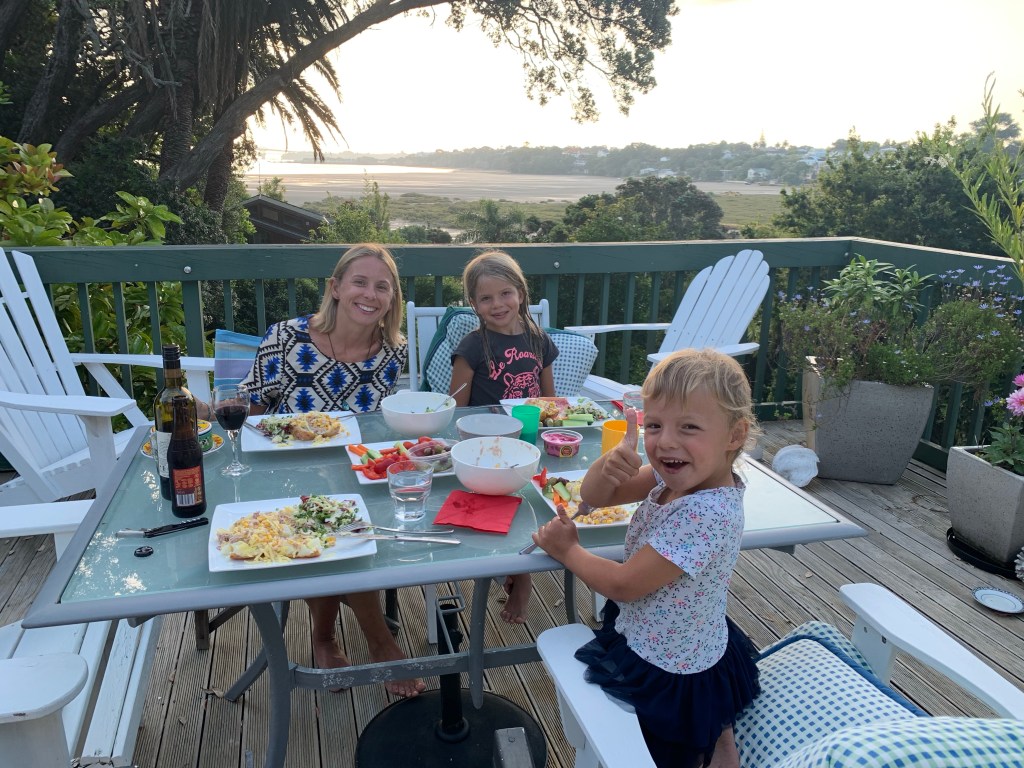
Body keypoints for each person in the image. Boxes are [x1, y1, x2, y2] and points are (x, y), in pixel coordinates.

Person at [532, 349, 761, 767]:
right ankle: (720, 744)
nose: (666, 441)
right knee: (712, 723)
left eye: (688, 427)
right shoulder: (679, 472)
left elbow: (624, 585)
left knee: (667, 746)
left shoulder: (706, 513)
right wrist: (607, 465)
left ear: (734, 435)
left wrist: (568, 551)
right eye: (654, 425)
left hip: (670, 661)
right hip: (682, 627)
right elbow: (597, 497)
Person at [238, 243, 425, 698]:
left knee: (357, 517)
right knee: (340, 526)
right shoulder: (287, 337)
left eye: (382, 287)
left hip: (351, 470)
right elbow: (253, 409)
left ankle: (325, 636)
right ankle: (373, 641)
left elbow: (375, 422)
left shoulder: (391, 351)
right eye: (360, 282)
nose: (370, 294)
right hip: (282, 470)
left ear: (392, 299)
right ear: (336, 288)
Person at [449, 249, 558, 623]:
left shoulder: (538, 340)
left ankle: (516, 568)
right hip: (484, 447)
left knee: (537, 498)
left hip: (528, 443)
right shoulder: (472, 347)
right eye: (486, 298)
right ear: (474, 304)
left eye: (505, 293)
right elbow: (458, 409)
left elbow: (547, 403)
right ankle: (520, 575)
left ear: (521, 293)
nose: (497, 304)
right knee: (501, 497)